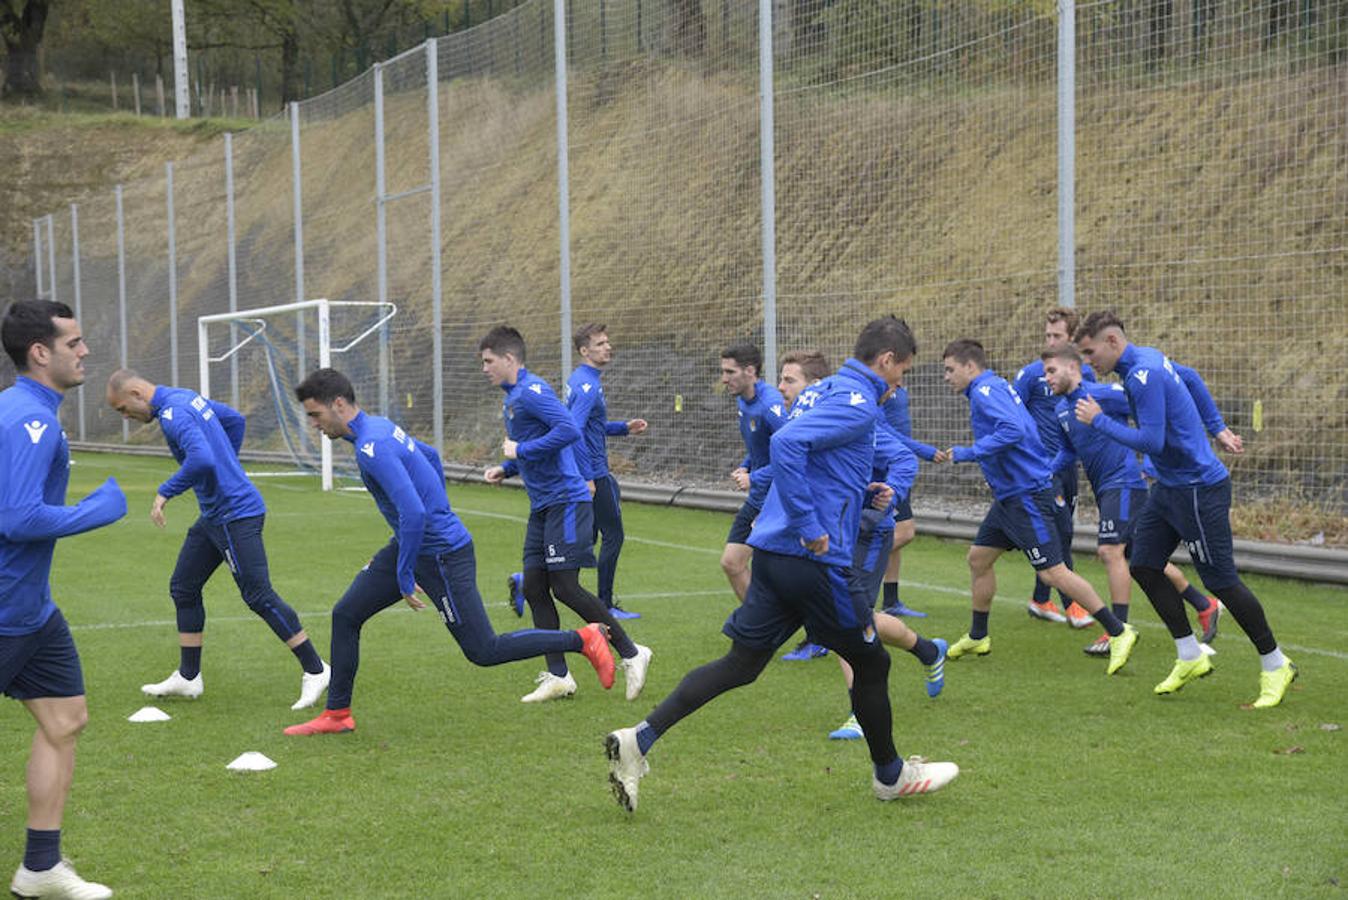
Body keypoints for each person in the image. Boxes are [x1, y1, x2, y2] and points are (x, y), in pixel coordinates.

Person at [604, 318, 959, 813]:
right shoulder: (856, 404)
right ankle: (891, 776)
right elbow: (789, 447)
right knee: (872, 660)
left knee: (741, 665)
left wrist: (864, 491)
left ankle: (637, 740)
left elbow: (815, 461)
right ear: (886, 361)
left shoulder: (825, 392)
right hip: (812, 558)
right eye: (902, 371)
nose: (901, 383)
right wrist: (812, 524)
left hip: (771, 553)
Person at [283, 368, 616, 736]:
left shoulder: (370, 447)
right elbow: (430, 456)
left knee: (483, 650)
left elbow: (413, 513)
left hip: (442, 555)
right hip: (418, 544)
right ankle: (338, 714)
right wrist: (430, 523)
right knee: (346, 614)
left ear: (339, 405)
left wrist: (405, 573)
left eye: (315, 414)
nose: (314, 423)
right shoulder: (378, 427)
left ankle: (583, 639)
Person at [1072, 311, 1295, 707]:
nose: (1089, 362)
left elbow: (1153, 441)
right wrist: (1217, 426)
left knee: (1222, 581)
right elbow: (1189, 377)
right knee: (1142, 563)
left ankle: (1275, 663)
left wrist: (1099, 421)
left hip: (1198, 489)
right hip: (1170, 488)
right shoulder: (1149, 359)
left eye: (1090, 353)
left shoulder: (1143, 374)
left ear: (1111, 341)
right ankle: (1190, 655)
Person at [105, 369, 330, 710]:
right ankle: (189, 676)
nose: (126, 418)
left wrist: (166, 491)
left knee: (258, 594)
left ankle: (316, 669)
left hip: (234, 514)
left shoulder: (173, 413)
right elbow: (234, 420)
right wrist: (227, 466)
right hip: (215, 515)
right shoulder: (184, 396)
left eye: (123, 409)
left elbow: (202, 458)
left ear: (137, 393)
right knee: (184, 586)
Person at [2, 300, 126, 900]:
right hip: (3, 613)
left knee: (64, 717)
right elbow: (18, 518)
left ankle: (41, 868)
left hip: (32, 611)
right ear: (40, 353)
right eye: (74, 343)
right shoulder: (29, 418)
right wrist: (94, 511)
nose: (84, 352)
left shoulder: (26, 411)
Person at [937, 339, 1138, 673]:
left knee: (1052, 571)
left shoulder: (986, 392)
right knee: (979, 559)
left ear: (970, 367)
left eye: (950, 369)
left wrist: (969, 452)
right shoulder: (992, 388)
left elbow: (1014, 430)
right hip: (1009, 497)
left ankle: (1118, 631)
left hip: (1025, 495)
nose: (946, 377)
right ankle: (978, 635)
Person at [480, 326, 651, 703]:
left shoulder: (532, 391)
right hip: (543, 503)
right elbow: (539, 446)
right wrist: (506, 469)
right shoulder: (513, 398)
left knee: (566, 586)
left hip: (567, 500)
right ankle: (558, 676)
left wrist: (519, 452)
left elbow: (568, 431)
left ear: (510, 359)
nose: (485, 369)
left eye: (489, 361)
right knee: (535, 587)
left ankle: (631, 651)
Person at [1041, 346, 1222, 656]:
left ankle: (1118, 631)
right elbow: (1069, 452)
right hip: (1106, 489)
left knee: (1111, 552)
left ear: (1073, 368)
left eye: (1051, 371)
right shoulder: (1060, 410)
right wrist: (1043, 473)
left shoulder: (1104, 394)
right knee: (1143, 557)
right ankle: (1203, 604)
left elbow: (1151, 415)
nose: (1046, 378)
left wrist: (1152, 462)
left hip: (1124, 483)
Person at [1012, 308, 1095, 628]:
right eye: (1047, 335)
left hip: (1067, 464)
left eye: (1057, 336)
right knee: (1058, 531)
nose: (1050, 341)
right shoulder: (1031, 374)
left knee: (1064, 532)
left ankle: (1040, 598)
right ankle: (1072, 604)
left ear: (1072, 340)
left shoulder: (1084, 375)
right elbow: (1013, 418)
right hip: (1039, 469)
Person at [562, 324, 648, 620]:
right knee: (614, 536)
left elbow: (589, 427)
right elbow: (573, 431)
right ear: (585, 351)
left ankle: (531, 581)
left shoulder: (582, 380)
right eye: (600, 343)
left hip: (592, 471)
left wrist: (623, 428)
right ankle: (605, 605)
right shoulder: (587, 386)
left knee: (588, 539)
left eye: (607, 342)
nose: (607, 347)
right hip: (596, 474)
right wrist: (588, 476)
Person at [772, 350, 834, 661]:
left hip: (850, 523)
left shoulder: (841, 418)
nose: (781, 387)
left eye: (789, 380)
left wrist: (889, 489)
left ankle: (926, 649)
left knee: (856, 619)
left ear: (815, 385)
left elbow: (895, 452)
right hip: (792, 511)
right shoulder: (796, 415)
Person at [718, 343, 788, 602]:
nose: (724, 379)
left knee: (780, 573)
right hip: (760, 495)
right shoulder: (743, 401)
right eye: (723, 372)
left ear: (749, 371)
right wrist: (747, 465)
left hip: (777, 498)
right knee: (732, 563)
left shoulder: (771, 406)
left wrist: (754, 477)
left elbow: (791, 456)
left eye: (730, 372)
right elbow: (762, 446)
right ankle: (757, 623)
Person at [876, 381, 937, 619]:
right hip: (886, 470)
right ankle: (851, 565)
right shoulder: (876, 391)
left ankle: (891, 600)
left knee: (894, 532)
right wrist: (924, 451)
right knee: (905, 532)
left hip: (898, 468)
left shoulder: (898, 387)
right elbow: (885, 431)